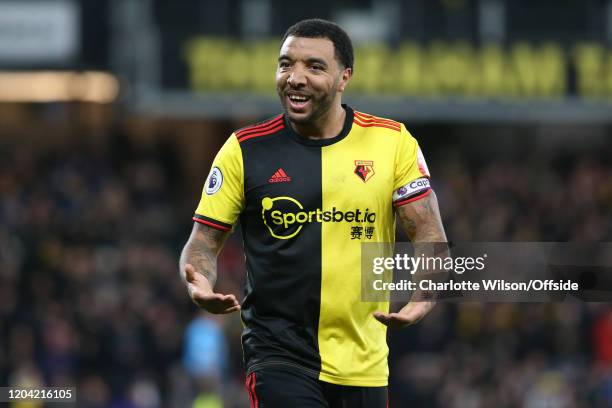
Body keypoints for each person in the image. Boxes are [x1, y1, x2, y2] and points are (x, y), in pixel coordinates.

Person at [179, 18, 447, 408]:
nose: (295, 77)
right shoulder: (244, 149)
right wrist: (198, 281)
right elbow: (202, 242)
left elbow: (428, 233)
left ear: (344, 78)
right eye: (286, 64)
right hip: (278, 355)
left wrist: (425, 294)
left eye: (314, 66)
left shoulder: (393, 142)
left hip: (366, 364)